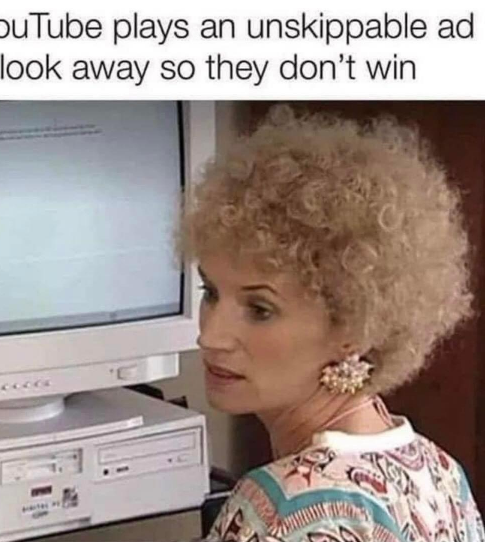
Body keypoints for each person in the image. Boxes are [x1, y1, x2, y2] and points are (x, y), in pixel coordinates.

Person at [179, 105, 484, 541]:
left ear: (352, 329)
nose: (210, 336)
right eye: (211, 292)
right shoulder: (441, 473)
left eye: (260, 309)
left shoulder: (281, 508)